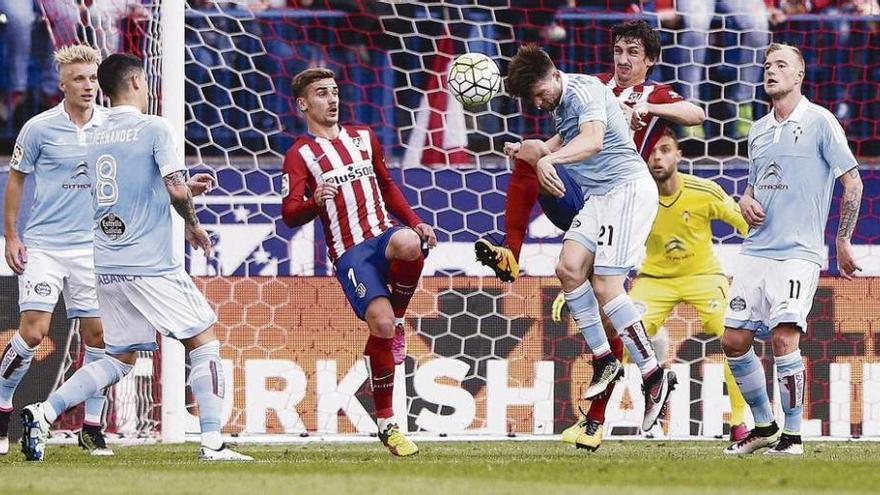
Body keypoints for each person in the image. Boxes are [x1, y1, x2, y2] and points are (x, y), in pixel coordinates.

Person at [478, 21, 704, 450]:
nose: (623, 59)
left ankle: (654, 375)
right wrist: (532, 151)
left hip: (627, 190)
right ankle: (604, 359)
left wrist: (650, 112)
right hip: (595, 195)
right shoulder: (582, 90)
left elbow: (597, 139)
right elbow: (561, 140)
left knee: (606, 286)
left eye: (633, 52)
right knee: (568, 269)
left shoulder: (600, 91)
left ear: (649, 59)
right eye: (618, 50)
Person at [18, 53, 248, 462]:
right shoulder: (154, 127)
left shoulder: (97, 136)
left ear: (104, 88)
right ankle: (213, 443)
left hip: (107, 263)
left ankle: (44, 410)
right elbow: (175, 189)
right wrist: (193, 223)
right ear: (139, 82)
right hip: (149, 263)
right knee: (204, 343)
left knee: (119, 358)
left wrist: (181, 188)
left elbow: (134, 188)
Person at [554, 129, 750, 446]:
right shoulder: (632, 195)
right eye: (652, 151)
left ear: (679, 154)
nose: (657, 157)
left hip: (703, 277)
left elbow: (746, 225)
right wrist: (579, 288)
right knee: (620, 334)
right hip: (655, 280)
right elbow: (600, 245)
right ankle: (596, 420)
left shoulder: (704, 191)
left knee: (734, 337)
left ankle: (740, 423)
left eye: (666, 149)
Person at [281, 67, 436, 457]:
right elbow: (288, 213)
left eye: (334, 92)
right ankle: (387, 423)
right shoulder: (299, 154)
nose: (332, 100)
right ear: (303, 104)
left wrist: (416, 220)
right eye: (321, 94)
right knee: (379, 325)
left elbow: (386, 185)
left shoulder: (364, 138)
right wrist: (313, 203)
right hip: (350, 254)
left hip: (382, 236)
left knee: (408, 241)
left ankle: (399, 320)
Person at [722, 43, 863, 456]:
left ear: (800, 75)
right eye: (767, 66)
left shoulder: (820, 121)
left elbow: (852, 181)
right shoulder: (759, 130)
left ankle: (793, 436)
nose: (771, 71)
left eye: (781, 65)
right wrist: (744, 201)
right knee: (733, 340)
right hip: (756, 250)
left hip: (799, 252)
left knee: (784, 339)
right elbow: (754, 185)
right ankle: (765, 426)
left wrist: (841, 240)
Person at [1, 45, 111, 457]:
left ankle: (92, 428)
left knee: (100, 337)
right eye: (79, 79)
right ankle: (3, 412)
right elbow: (16, 181)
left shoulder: (112, 126)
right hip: (46, 245)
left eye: (93, 78)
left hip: (95, 247)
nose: (88, 85)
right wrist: (12, 235)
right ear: (62, 84)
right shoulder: (38, 128)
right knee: (33, 332)